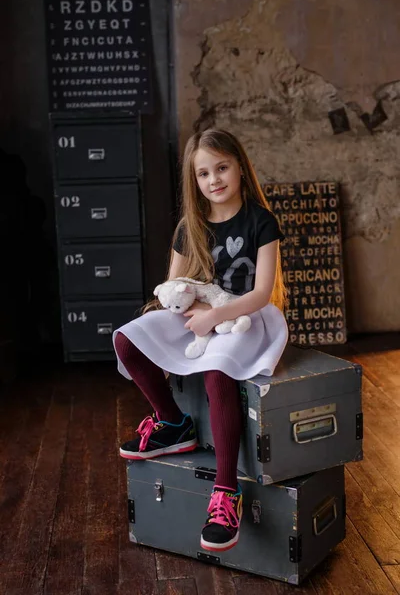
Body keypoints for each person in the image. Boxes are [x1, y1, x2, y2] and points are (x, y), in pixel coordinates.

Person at [113, 128, 288, 553]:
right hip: (199, 312)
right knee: (128, 339)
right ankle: (173, 422)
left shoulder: (260, 221)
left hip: (248, 318)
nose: (214, 180)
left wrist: (216, 316)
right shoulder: (189, 227)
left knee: (216, 369)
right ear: (195, 182)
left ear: (240, 168)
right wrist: (187, 315)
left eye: (222, 167)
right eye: (204, 173)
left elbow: (261, 293)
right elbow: (173, 286)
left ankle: (226, 492)